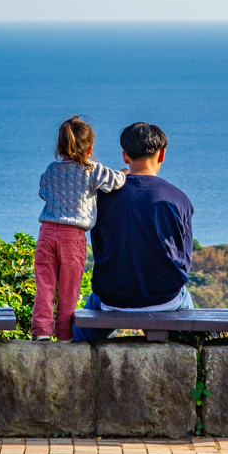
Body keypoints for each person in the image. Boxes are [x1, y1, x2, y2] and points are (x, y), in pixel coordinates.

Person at [73, 122, 195, 342]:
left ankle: (69, 353)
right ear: (162, 155)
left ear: (125, 156)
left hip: (112, 299)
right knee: (187, 304)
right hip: (165, 300)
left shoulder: (102, 197)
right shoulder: (179, 199)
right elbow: (184, 262)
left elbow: (99, 250)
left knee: (79, 335)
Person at [32, 116, 128, 341]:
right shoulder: (92, 171)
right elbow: (116, 181)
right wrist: (125, 172)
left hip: (46, 232)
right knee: (68, 290)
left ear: (59, 147)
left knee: (44, 285)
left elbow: (43, 190)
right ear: (89, 149)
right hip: (72, 237)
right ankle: (65, 336)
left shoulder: (51, 169)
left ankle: (41, 332)